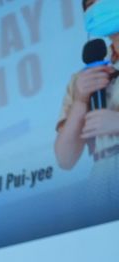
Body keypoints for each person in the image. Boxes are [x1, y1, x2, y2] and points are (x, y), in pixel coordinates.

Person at [53, 0, 119, 196]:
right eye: (90, 3)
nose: (97, 6)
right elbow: (65, 159)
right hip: (101, 186)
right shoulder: (83, 78)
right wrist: (81, 101)